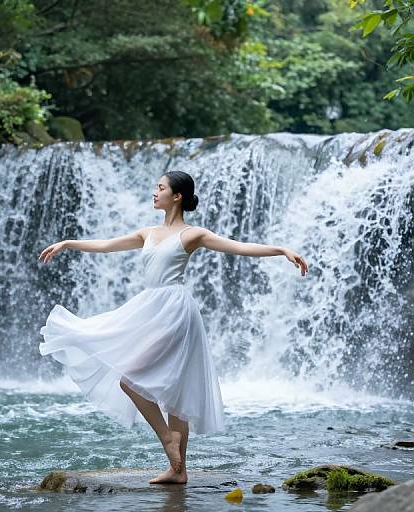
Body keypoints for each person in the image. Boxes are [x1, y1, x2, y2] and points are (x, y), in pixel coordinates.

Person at [38, 171, 308, 485]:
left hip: (175, 311)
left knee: (131, 379)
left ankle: (169, 440)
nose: (155, 192)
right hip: (150, 308)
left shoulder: (192, 235)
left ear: (176, 196)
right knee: (172, 391)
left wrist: (281, 250)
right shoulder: (147, 233)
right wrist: (68, 243)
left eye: (161, 188)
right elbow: (107, 245)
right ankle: (178, 471)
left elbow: (239, 247)